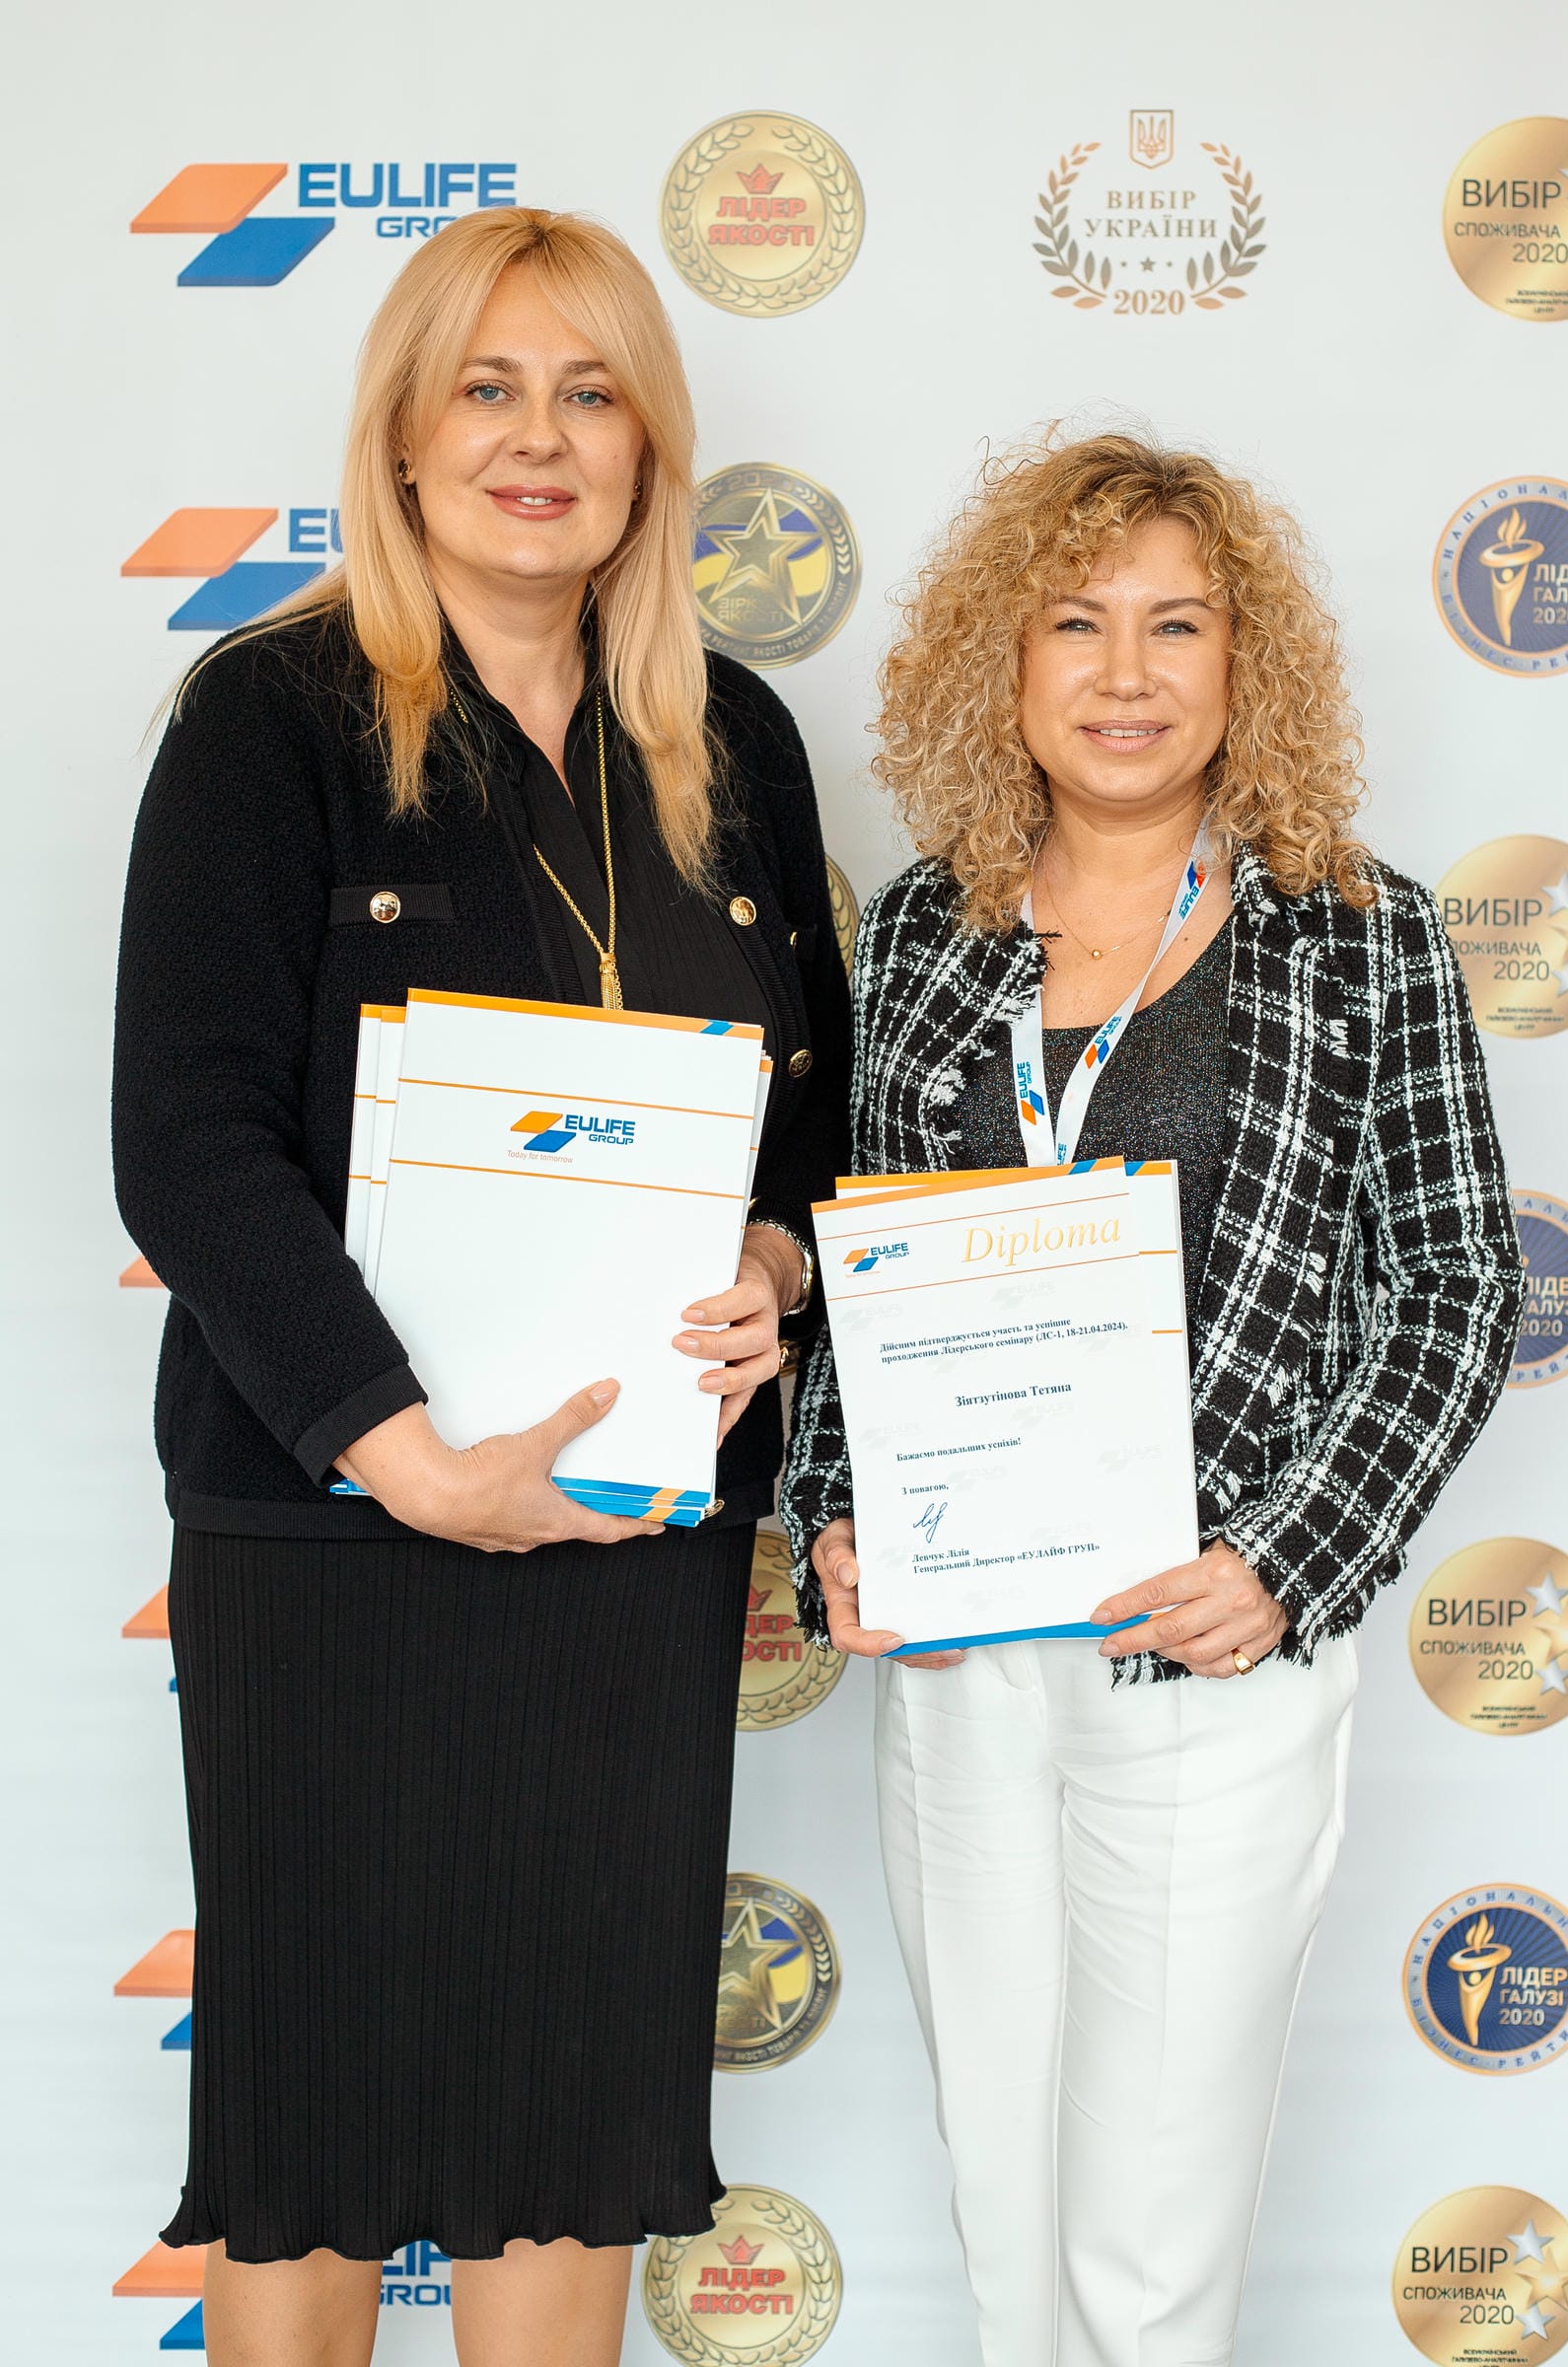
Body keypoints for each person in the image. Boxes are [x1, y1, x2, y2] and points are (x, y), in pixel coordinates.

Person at [112, 206, 849, 2367]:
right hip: (339, 1528)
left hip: (629, 1538)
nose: (540, 439)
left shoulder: (735, 741)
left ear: (649, 448)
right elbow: (188, 1141)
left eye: (590, 392)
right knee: (320, 2118)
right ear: (405, 442)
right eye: (488, 390)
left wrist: (773, 1259)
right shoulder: (270, 720)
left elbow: (805, 1118)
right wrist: (409, 1460)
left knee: (576, 2111)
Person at [781, 433, 1519, 2367]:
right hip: (961, 1664)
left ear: (1243, 662)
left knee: (1148, 2251)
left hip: (1206, 1651)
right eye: (1076, 623)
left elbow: (1456, 1280)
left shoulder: (1358, 929)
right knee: (1003, 2217)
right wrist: (835, 1518)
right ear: (1002, 662)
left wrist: (1288, 1558)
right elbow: (850, 1268)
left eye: (1176, 625)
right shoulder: (921, 933)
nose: (1125, 673)